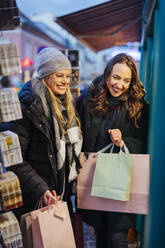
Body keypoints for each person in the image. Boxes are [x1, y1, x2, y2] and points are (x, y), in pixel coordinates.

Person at [0, 47, 82, 221]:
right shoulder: (27, 107)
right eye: (59, 75)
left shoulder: (68, 106)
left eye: (67, 76)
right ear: (46, 76)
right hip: (35, 198)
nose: (65, 81)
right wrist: (41, 189)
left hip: (59, 194)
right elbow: (14, 159)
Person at [77, 53, 149, 248]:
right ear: (107, 74)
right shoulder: (87, 101)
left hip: (124, 183)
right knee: (100, 236)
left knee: (118, 239)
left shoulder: (139, 107)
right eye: (116, 78)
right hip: (94, 180)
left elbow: (145, 142)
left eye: (127, 80)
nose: (120, 85)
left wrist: (124, 142)